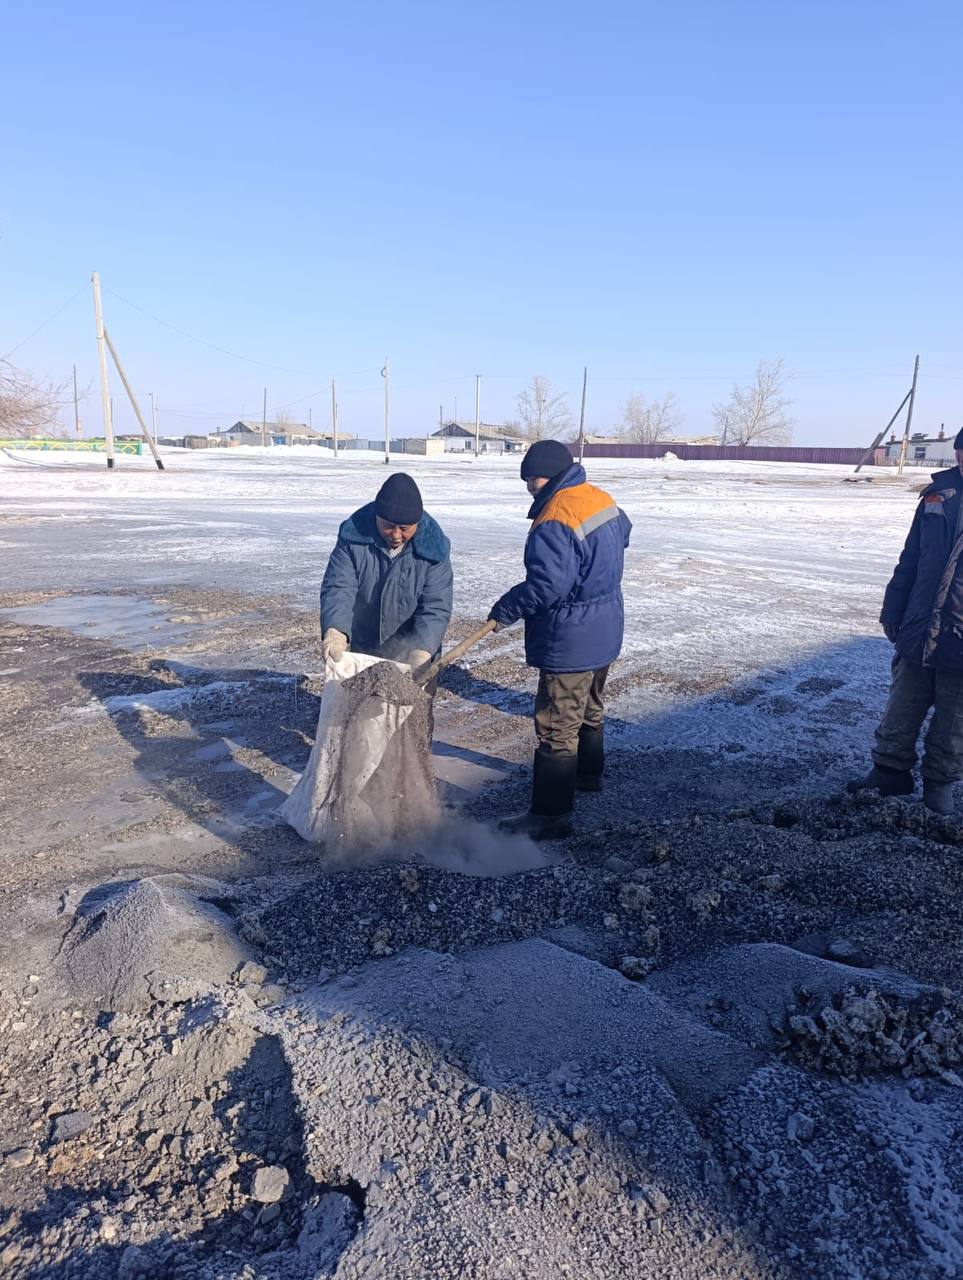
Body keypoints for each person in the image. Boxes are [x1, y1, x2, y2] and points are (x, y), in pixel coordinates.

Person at [488, 440, 632, 837]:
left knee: (556, 725)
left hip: (571, 637)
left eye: (530, 479)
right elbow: (625, 532)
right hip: (605, 624)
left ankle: (551, 816)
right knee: (590, 707)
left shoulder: (554, 518)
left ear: (546, 476)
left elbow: (547, 587)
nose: (528, 486)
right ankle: (589, 776)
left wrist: (506, 608)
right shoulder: (598, 497)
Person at [849, 427, 963, 815]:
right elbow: (911, 558)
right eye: (962, 451)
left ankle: (939, 786)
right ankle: (889, 772)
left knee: (953, 720)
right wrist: (893, 608)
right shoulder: (937, 494)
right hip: (918, 623)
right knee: (902, 705)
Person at [320, 472, 453, 671]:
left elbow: (435, 606)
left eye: (405, 528)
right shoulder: (353, 538)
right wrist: (336, 630)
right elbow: (339, 587)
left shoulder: (434, 549)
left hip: (412, 646)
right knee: (362, 698)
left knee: (411, 700)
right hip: (364, 643)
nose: (397, 535)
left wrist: (423, 649)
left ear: (416, 523)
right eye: (389, 526)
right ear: (377, 517)